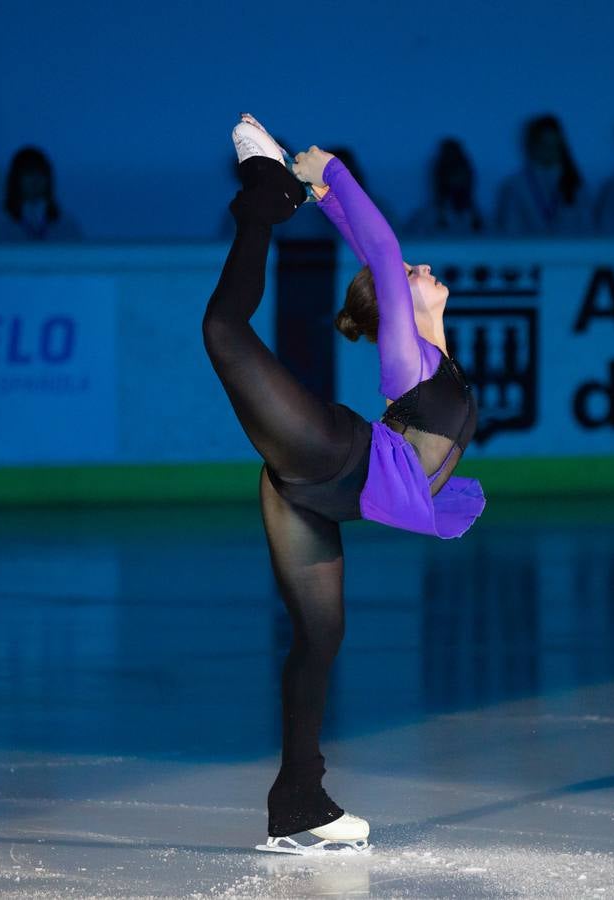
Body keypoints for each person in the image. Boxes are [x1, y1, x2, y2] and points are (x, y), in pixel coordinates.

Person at [202, 114, 485, 855]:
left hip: (322, 497)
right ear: (393, 305)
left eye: (419, 275)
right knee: (225, 331)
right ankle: (261, 191)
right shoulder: (407, 364)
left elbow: (378, 256)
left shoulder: (433, 359)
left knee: (320, 637)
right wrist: (333, 176)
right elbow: (383, 252)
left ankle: (298, 804)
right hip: (334, 456)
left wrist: (328, 193)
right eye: (411, 277)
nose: (421, 271)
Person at [495, 114, 592, 235]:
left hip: (570, 252)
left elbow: (587, 228)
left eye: (554, 146)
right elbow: (509, 230)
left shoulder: (575, 183)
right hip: (529, 251)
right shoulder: (514, 186)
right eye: (544, 145)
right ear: (531, 145)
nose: (549, 152)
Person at [0, 146, 82, 242]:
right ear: (16, 179)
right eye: (29, 173)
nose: (35, 180)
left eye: (40, 173)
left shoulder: (65, 223)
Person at [404, 138, 485, 236]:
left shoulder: (478, 220)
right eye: (450, 174)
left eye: (459, 173)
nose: (456, 181)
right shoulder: (424, 219)